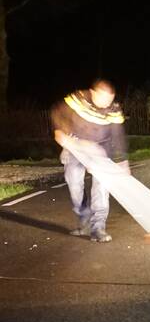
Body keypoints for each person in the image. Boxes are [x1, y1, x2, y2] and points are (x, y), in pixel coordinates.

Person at [50, 80, 128, 243]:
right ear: (93, 93)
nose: (107, 104)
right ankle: (83, 217)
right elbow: (58, 113)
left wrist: (122, 161)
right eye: (104, 99)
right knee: (74, 184)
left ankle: (98, 228)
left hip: (100, 151)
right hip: (74, 146)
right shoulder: (77, 99)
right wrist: (59, 130)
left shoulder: (113, 109)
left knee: (101, 188)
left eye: (110, 100)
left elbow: (118, 135)